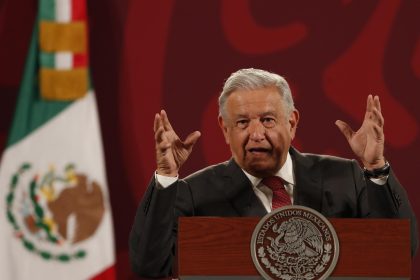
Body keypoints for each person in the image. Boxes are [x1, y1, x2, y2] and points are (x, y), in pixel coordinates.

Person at [129, 68, 418, 278]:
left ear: (291, 123)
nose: (256, 134)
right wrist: (166, 175)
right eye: (242, 122)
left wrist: (376, 167)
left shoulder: (346, 177)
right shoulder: (194, 193)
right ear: (224, 129)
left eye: (268, 120)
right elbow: (149, 265)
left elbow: (401, 251)